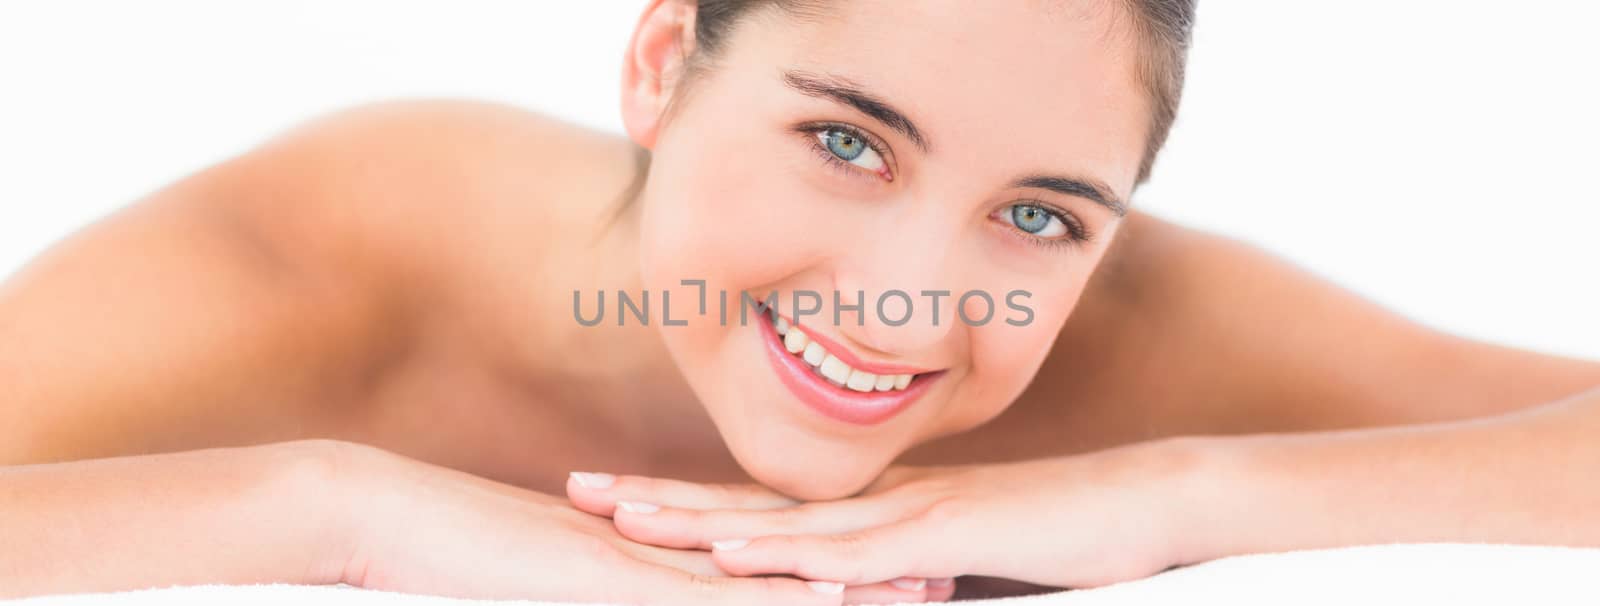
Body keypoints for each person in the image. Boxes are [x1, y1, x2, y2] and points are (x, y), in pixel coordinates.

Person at [3, 1, 1597, 604]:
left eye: (1039, 214)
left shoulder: (1149, 338)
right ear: (656, 63)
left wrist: (1173, 493)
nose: (911, 307)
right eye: (846, 139)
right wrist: (344, 513)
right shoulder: (339, 256)